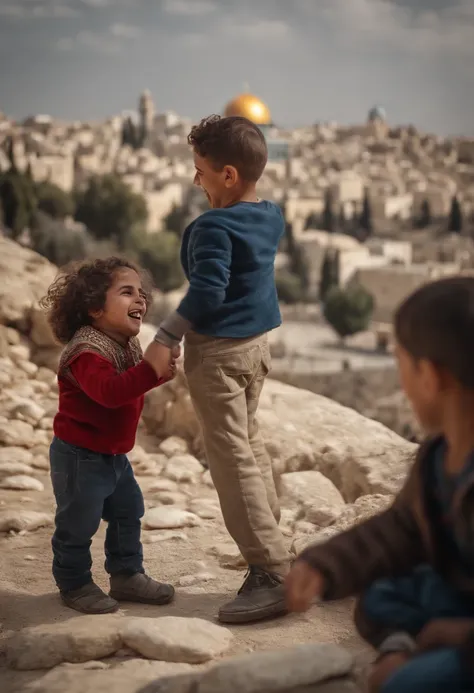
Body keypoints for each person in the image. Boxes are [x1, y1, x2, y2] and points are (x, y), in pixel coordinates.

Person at [285, 276, 474, 693]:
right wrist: (325, 563)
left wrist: (459, 635)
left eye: (401, 364)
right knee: (381, 594)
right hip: (457, 593)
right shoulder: (438, 456)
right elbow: (402, 528)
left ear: (431, 376)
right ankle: (404, 645)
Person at [144, 115, 292, 624]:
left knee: (230, 459)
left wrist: (166, 336)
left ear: (228, 175)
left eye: (200, 170)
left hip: (221, 356)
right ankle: (272, 546)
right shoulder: (270, 215)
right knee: (249, 446)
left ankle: (270, 572)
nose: (195, 179)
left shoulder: (213, 225)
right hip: (256, 349)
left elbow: (207, 291)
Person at [41, 257, 177, 614]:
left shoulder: (124, 344)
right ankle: (73, 582)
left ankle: (126, 574)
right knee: (77, 523)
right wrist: (151, 370)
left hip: (113, 455)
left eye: (142, 294)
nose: (140, 301)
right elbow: (110, 393)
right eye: (126, 292)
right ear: (94, 308)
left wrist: (161, 371)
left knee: (128, 512)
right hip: (79, 457)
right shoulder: (86, 351)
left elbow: (130, 384)